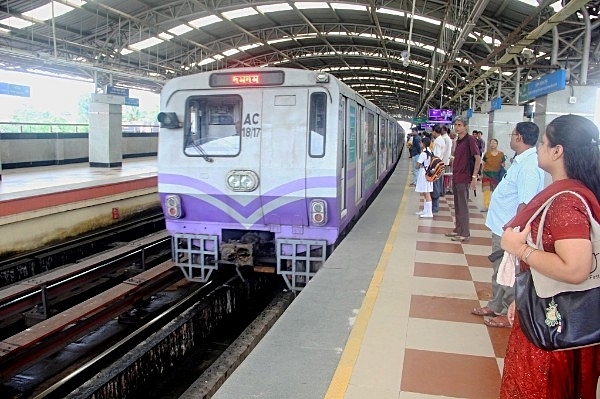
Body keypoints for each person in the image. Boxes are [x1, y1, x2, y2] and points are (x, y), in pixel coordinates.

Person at [499, 114, 600, 398]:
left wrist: (519, 248)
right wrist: (524, 298)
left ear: (558, 151)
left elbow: (575, 269)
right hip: (556, 310)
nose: (539, 148)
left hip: (554, 330)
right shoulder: (578, 192)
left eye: (543, 143)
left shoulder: (565, 202)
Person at [471, 122, 545, 328]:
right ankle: (495, 304)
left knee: (509, 271)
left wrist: (513, 232)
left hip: (510, 230)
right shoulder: (521, 162)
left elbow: (526, 203)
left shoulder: (530, 166)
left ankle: (505, 312)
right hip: (502, 226)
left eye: (512, 134)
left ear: (519, 137)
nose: (510, 138)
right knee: (499, 268)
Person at [445, 116, 480, 242]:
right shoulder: (458, 140)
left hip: (464, 177)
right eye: (456, 125)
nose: (457, 127)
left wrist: (474, 176)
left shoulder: (470, 140)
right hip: (456, 176)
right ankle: (458, 229)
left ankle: (465, 233)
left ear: (465, 126)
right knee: (458, 205)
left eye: (460, 125)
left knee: (463, 206)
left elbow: (477, 157)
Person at [480, 138, 507, 212]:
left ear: (497, 144)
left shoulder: (501, 154)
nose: (492, 144)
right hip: (486, 174)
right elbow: (484, 164)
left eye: (494, 143)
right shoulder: (487, 154)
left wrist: (502, 165)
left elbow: (503, 164)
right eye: (491, 143)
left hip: (496, 175)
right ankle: (486, 206)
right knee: (486, 191)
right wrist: (481, 173)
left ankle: (495, 206)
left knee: (496, 191)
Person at [415, 136, 434, 218]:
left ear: (423, 144)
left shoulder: (423, 153)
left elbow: (417, 165)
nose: (420, 144)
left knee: (426, 193)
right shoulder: (430, 152)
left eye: (421, 142)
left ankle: (429, 212)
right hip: (428, 173)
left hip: (424, 173)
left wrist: (418, 166)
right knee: (425, 192)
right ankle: (425, 210)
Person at [430, 125, 447, 213]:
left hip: (436, 166)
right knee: (437, 185)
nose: (431, 133)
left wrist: (432, 168)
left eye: (432, 131)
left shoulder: (437, 142)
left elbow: (435, 156)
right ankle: (435, 206)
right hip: (440, 165)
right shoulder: (441, 140)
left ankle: (435, 207)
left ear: (435, 131)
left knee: (435, 186)